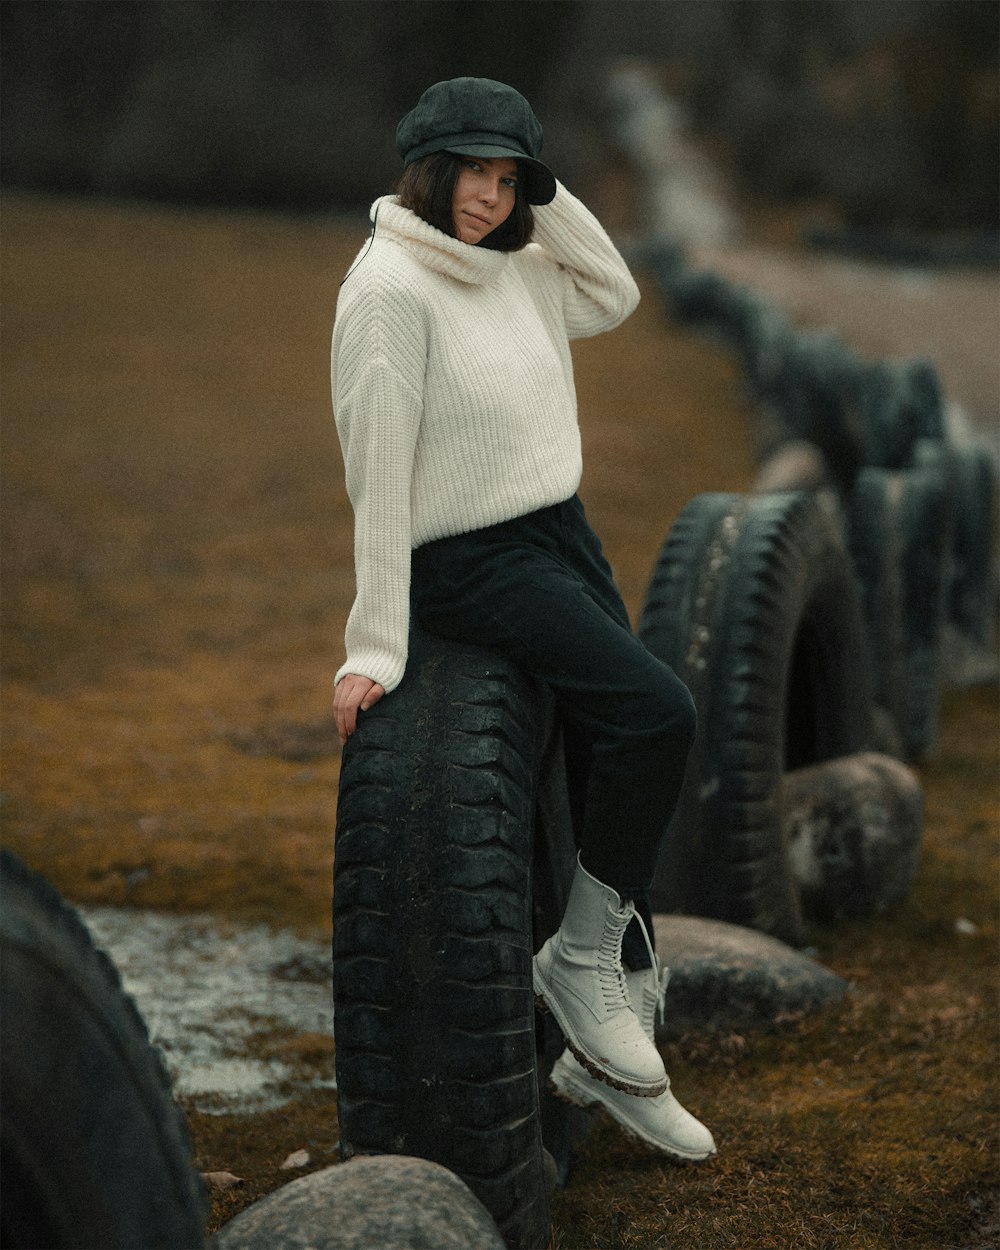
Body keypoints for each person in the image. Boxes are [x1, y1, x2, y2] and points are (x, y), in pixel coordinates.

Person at [331, 76, 714, 1162]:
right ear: (428, 167)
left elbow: (616, 293)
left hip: (554, 525)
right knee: (654, 713)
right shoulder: (389, 290)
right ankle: (583, 968)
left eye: (509, 179)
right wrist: (374, 644)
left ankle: (607, 1020)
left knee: (610, 740)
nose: (489, 199)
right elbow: (378, 476)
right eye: (473, 173)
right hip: (467, 556)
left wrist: (546, 193)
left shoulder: (523, 263)